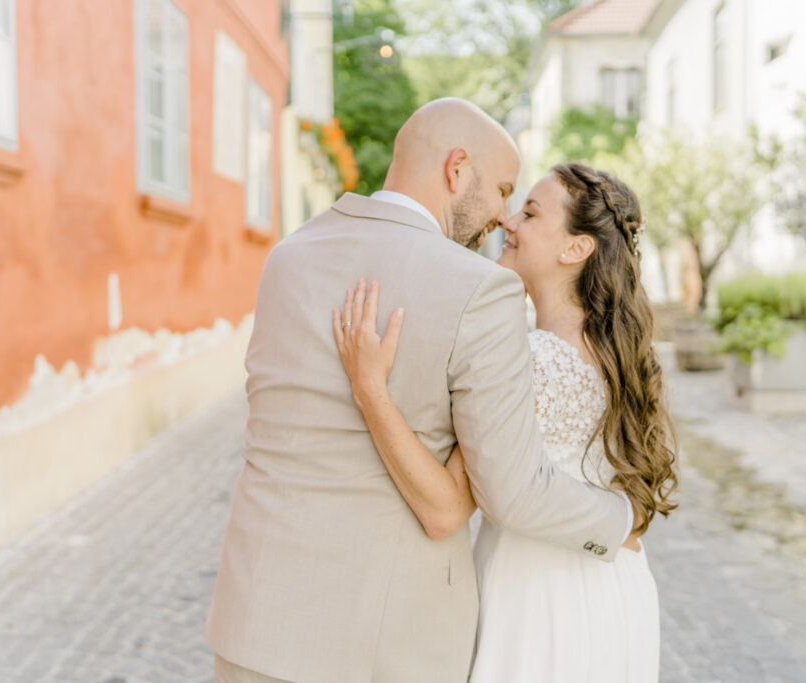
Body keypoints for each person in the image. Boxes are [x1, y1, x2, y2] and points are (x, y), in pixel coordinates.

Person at [206, 99, 636, 683]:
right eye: (503, 190)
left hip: (254, 625)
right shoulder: (478, 289)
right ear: (457, 170)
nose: (502, 217)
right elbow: (488, 498)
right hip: (383, 646)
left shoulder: (288, 256)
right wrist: (620, 520)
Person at [333, 163, 678, 682]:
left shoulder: (530, 362)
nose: (508, 222)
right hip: (616, 592)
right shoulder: (615, 355)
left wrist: (371, 391)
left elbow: (446, 504)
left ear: (574, 249)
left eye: (531, 213)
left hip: (541, 605)